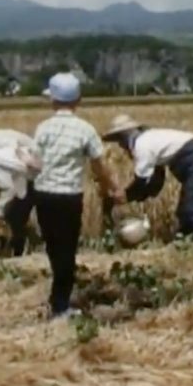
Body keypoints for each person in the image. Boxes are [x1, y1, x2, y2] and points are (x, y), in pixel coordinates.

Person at [34, 72, 122, 318]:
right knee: (67, 249)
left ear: (52, 101)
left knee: (53, 247)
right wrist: (110, 188)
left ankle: (57, 299)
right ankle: (60, 306)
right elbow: (99, 164)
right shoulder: (85, 129)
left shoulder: (43, 128)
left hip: (43, 195)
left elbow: (34, 161)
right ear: (78, 100)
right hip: (68, 197)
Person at [102, 114, 193, 246]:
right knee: (184, 211)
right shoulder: (150, 140)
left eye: (119, 140)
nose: (121, 146)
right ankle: (187, 244)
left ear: (124, 138)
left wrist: (125, 197)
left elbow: (141, 181)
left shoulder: (142, 145)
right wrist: (146, 194)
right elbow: (157, 178)